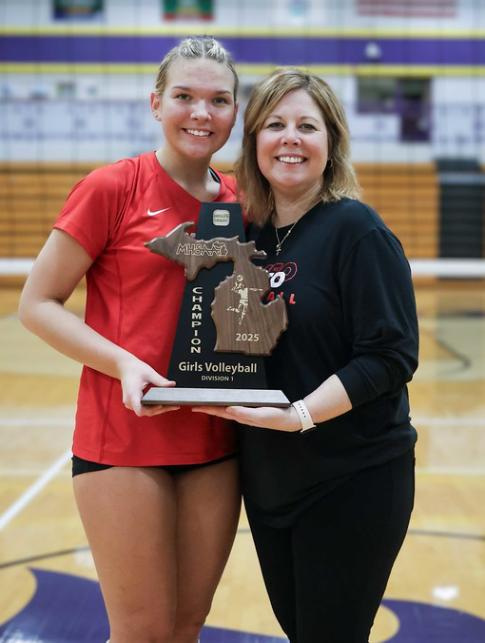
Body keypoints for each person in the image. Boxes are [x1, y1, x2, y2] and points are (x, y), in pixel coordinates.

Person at [18, 37, 241, 643]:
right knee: (141, 632)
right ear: (155, 104)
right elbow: (36, 305)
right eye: (185, 97)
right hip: (123, 438)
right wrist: (123, 363)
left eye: (219, 100)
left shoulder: (243, 202)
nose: (201, 112)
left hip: (215, 437)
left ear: (234, 112)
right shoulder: (112, 187)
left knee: (185, 628)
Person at [194, 68, 419, 643]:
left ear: (332, 143)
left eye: (306, 126)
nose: (290, 137)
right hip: (270, 482)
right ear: (254, 143)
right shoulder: (247, 236)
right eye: (274, 124)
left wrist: (299, 415)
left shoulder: (358, 230)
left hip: (352, 477)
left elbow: (391, 357)